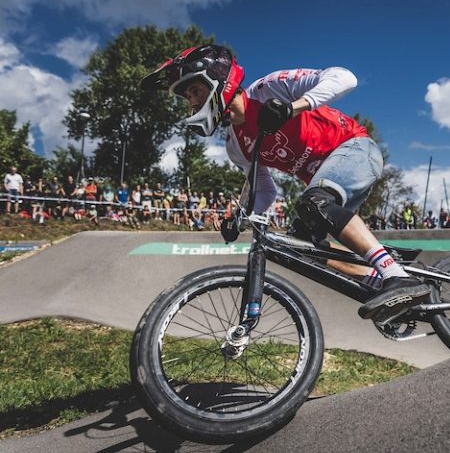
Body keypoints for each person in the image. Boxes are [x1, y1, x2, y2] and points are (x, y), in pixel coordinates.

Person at [140, 44, 430, 322]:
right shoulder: (235, 146)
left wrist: (293, 107)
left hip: (355, 148)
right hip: (325, 183)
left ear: (218, 81)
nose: (191, 102)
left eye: (194, 90)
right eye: (187, 96)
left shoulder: (268, 89)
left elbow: (345, 78)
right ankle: (379, 280)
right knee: (301, 246)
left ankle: (396, 277)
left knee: (314, 203)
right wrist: (240, 218)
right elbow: (264, 191)